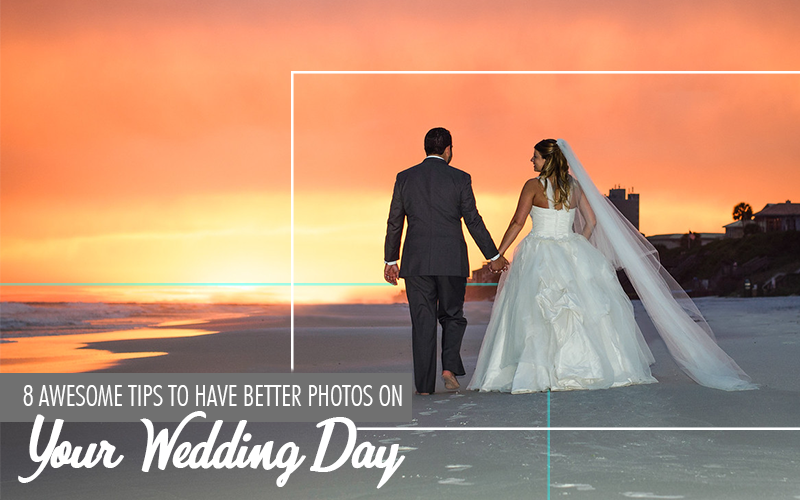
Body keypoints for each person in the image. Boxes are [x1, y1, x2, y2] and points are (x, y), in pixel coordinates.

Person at [468, 139, 756, 393]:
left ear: (547, 159)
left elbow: (517, 222)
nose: (532, 160)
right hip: (570, 249)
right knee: (582, 311)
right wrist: (574, 243)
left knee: (536, 312)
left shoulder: (533, 186)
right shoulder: (575, 186)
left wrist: (498, 255)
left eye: (536, 156)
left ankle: (540, 371)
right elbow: (591, 222)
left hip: (539, 250)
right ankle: (589, 368)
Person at [384, 127, 508, 395]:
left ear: (425, 148)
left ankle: (425, 387)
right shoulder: (460, 178)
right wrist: (493, 256)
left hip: (416, 263)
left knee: (422, 322)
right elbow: (473, 220)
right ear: (448, 149)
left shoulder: (405, 178)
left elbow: (395, 221)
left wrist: (391, 260)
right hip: (451, 261)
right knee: (452, 315)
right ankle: (449, 368)